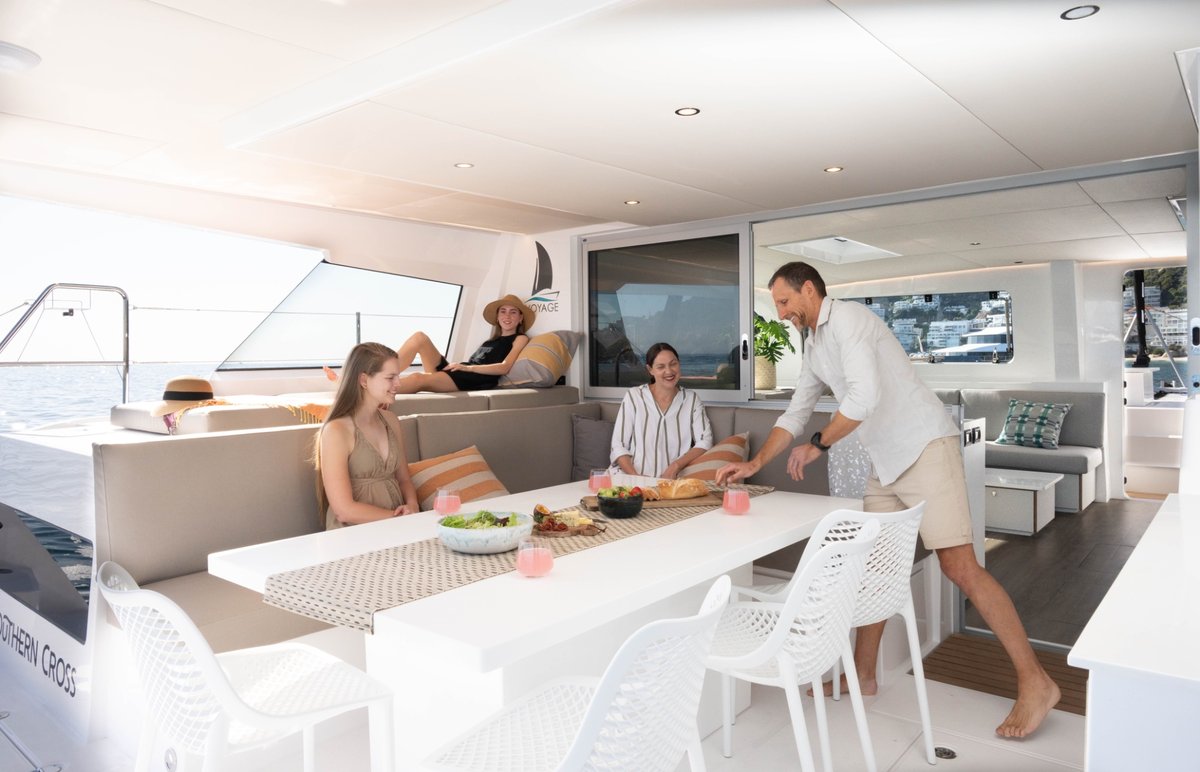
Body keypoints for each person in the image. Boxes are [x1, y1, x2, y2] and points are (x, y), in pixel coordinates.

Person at [715, 262, 1060, 739]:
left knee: (960, 567)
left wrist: (818, 445)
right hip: (885, 462)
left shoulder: (850, 321)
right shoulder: (813, 344)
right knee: (873, 570)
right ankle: (863, 675)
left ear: (809, 289)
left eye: (784, 301)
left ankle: (1037, 682)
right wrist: (755, 464)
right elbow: (796, 411)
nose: (781, 313)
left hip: (925, 447)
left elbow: (864, 398)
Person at [316, 342, 420, 529]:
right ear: (364, 380)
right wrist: (397, 519)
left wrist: (412, 506)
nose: (398, 383)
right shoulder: (336, 431)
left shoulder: (391, 421)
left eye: (398, 376)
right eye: (390, 377)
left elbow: (404, 479)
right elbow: (344, 510)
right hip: (355, 532)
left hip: (398, 525)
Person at [391, 294, 534, 393]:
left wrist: (467, 368)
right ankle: (384, 373)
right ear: (497, 317)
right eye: (503, 311)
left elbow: (505, 367)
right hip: (460, 372)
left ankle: (382, 391)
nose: (507, 316)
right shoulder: (490, 341)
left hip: (473, 380)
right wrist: (460, 367)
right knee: (419, 338)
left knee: (418, 377)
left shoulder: (520, 338)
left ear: (520, 318)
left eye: (513, 312)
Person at [610, 342, 713, 478]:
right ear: (650, 370)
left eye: (673, 364)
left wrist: (675, 466)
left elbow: (705, 441)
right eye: (661, 367)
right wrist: (636, 478)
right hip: (630, 479)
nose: (669, 371)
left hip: (670, 482)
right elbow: (618, 445)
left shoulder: (691, 399)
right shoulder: (634, 396)